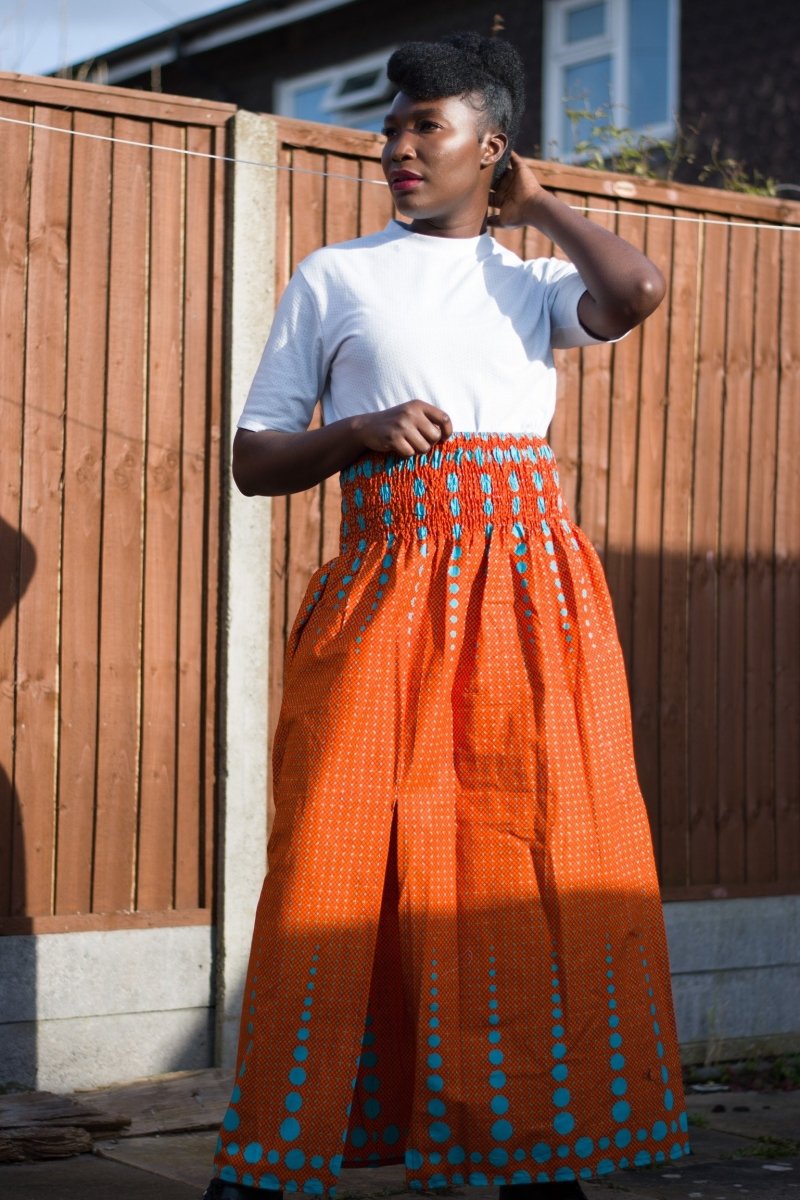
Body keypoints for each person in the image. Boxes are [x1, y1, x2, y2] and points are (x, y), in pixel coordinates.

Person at [203, 31, 689, 1200]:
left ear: (491, 146)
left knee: (527, 858)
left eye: (426, 125)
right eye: (391, 127)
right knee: (333, 861)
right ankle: (271, 1161)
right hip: (384, 593)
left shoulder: (531, 286)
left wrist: (543, 204)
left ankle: (533, 1157)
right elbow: (253, 458)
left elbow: (636, 292)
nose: (397, 147)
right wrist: (356, 432)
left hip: (529, 603)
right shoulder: (336, 276)